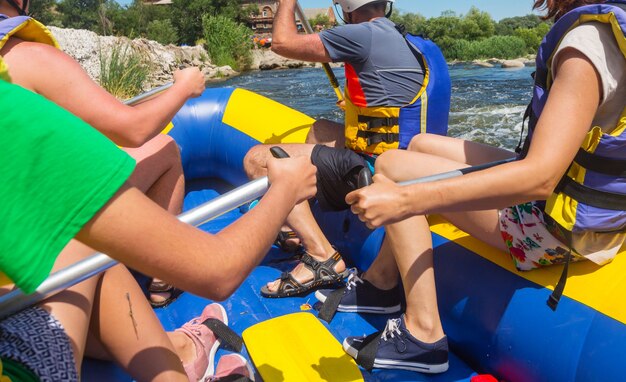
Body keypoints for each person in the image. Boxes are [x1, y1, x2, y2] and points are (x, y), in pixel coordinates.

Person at [338, 0, 626, 374]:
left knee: (393, 167)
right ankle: (381, 277)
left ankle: (422, 333)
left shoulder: (586, 44)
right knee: (423, 142)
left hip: (557, 228)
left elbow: (539, 179)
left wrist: (406, 199)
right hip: (594, 210)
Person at [0, 74, 316, 379]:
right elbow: (218, 274)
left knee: (86, 255)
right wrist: (285, 189)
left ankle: (179, 359)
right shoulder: (15, 114)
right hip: (14, 367)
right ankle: (172, 318)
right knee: (77, 241)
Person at [0, 0, 203, 307]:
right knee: (164, 147)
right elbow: (134, 130)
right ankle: (163, 278)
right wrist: (184, 88)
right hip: (46, 231)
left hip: (12, 232)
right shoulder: (29, 57)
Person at [243, 0, 450, 298]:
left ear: (346, 10)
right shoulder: (413, 41)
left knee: (257, 160)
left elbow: (282, 42)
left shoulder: (361, 34)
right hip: (419, 161)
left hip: (381, 170)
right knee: (321, 129)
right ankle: (295, 223)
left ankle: (321, 255)